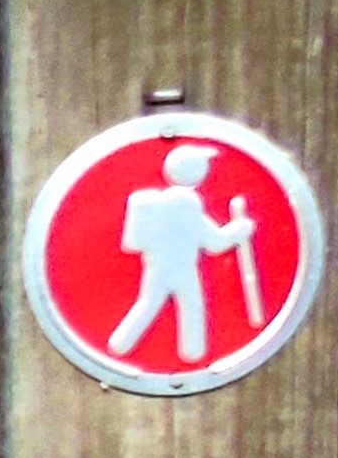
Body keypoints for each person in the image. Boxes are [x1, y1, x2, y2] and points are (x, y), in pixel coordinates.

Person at [102, 140, 266, 368]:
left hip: (156, 267)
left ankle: (120, 345)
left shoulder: (157, 204)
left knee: (148, 304)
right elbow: (214, 243)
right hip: (184, 269)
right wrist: (239, 231)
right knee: (191, 307)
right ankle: (193, 353)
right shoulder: (187, 205)